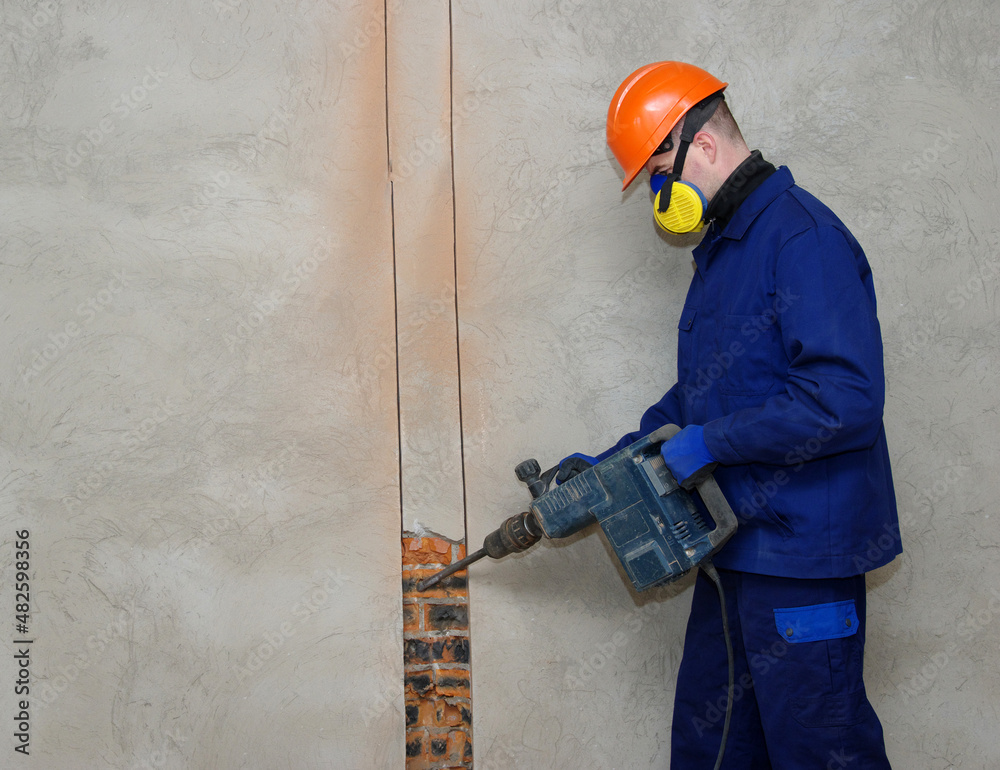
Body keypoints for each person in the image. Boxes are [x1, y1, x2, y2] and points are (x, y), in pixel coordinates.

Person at [560, 61, 900, 768]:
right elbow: (704, 396)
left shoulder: (803, 239)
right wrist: (623, 460)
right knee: (713, 748)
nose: (660, 192)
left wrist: (710, 444)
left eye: (658, 169)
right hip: (735, 553)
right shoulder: (726, 248)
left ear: (702, 146)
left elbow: (845, 399)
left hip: (802, 561)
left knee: (820, 753)